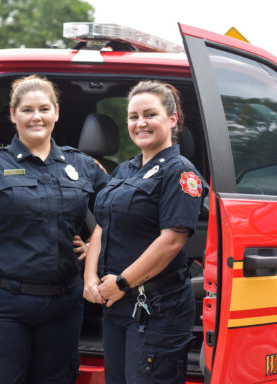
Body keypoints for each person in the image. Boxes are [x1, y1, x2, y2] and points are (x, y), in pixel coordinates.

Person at [0, 74, 110, 383]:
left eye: (44, 109)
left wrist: (95, 249)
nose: (36, 117)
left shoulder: (83, 166)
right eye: (27, 110)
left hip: (64, 305)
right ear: (13, 115)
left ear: (56, 112)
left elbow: (118, 211)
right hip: (4, 303)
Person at [84, 80, 204, 383]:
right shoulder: (126, 168)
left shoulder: (180, 171)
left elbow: (172, 241)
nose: (140, 123)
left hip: (156, 308)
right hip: (116, 305)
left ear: (172, 119)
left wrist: (123, 282)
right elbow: (102, 225)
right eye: (133, 116)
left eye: (150, 114)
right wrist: (89, 279)